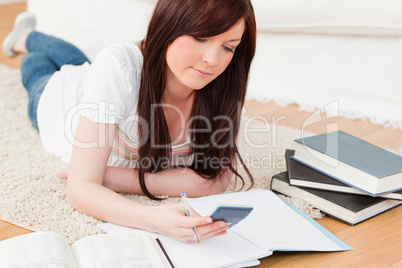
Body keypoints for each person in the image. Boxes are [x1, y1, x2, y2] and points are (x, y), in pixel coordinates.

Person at [3, 0, 256, 242]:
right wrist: (154, 218)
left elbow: (214, 181)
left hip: (101, 85)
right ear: (169, 24)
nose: (212, 60)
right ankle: (26, 39)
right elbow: (80, 190)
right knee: (39, 71)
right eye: (201, 37)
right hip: (58, 99)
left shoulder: (225, 85)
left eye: (228, 47)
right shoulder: (118, 66)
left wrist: (113, 177)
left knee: (81, 62)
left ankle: (30, 38)